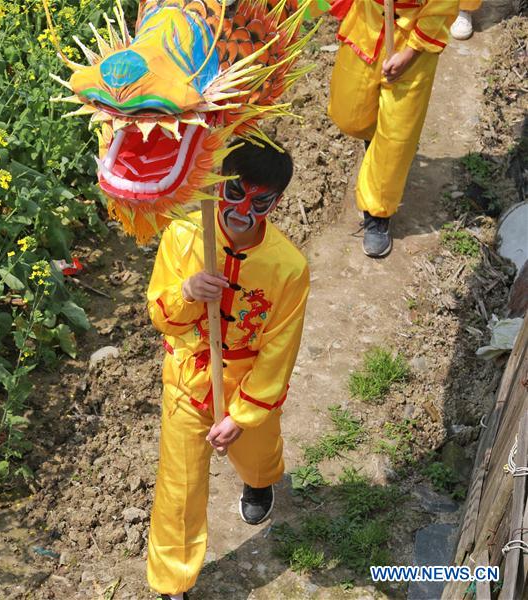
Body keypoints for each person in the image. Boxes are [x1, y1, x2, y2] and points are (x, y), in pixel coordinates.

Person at [145, 142, 310, 600]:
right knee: (179, 488)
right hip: (185, 379)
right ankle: (172, 584)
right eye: (233, 192)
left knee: (258, 456)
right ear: (219, 184)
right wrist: (188, 290)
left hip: (247, 385)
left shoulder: (289, 268)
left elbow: (280, 349)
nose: (242, 209)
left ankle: (260, 485)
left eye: (260, 201)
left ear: (276, 202)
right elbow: (162, 315)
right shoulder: (183, 236)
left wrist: (241, 415)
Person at [327, 0, 458, 257]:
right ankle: (378, 145)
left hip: (412, 41)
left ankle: (377, 211)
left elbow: (442, 7)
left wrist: (411, 52)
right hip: (366, 24)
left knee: (395, 137)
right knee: (349, 115)